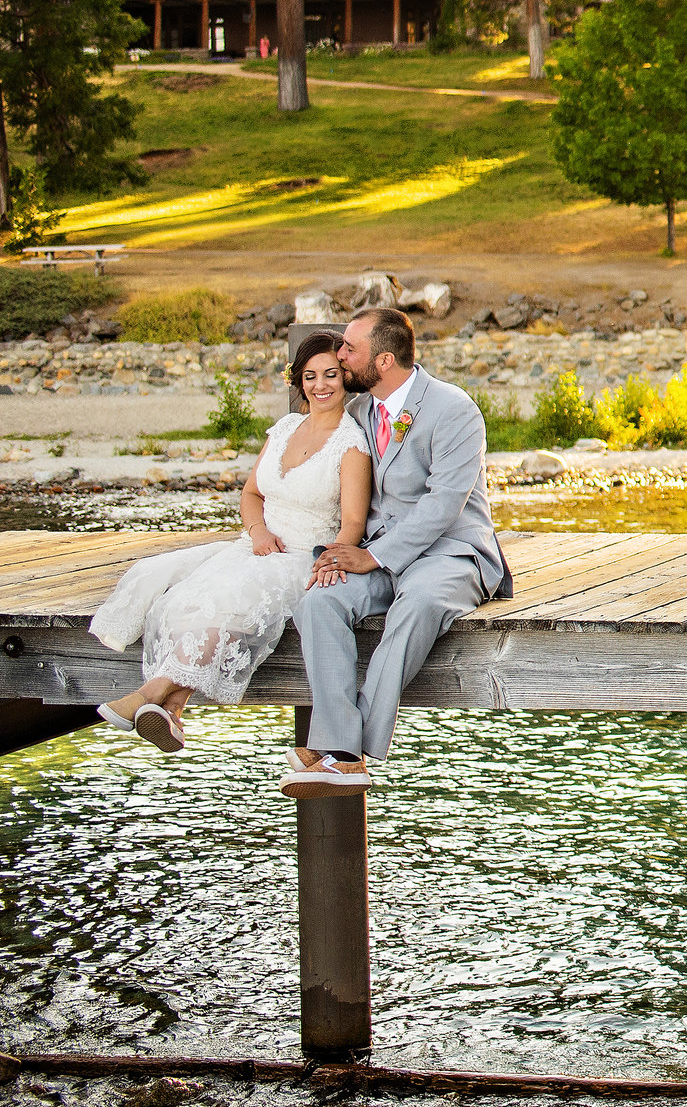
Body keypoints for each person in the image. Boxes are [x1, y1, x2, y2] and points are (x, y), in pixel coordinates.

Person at [89, 333, 372, 752]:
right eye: (310, 375)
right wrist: (257, 532)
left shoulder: (351, 444)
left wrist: (330, 560)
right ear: (299, 380)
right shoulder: (287, 427)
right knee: (177, 588)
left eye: (331, 374)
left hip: (302, 557)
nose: (321, 385)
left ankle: (152, 694)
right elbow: (251, 494)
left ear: (346, 378)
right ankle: (173, 707)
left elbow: (352, 522)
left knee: (228, 602)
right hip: (256, 543)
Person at [282, 306, 510, 799]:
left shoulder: (454, 409)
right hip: (377, 551)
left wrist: (375, 557)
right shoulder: (360, 411)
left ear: (383, 361)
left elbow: (445, 503)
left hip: (450, 552)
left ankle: (343, 751)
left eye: (348, 349)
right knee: (318, 601)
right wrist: (337, 549)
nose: (340, 358)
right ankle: (343, 753)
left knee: (420, 604)